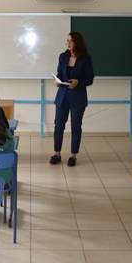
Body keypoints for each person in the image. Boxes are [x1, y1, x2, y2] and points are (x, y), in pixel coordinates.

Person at [50, 31, 94, 167]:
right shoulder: (63, 56)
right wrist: (56, 81)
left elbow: (90, 78)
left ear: (77, 42)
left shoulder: (85, 59)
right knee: (58, 125)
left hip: (78, 97)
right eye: (67, 40)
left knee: (76, 126)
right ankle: (57, 153)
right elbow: (59, 73)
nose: (68, 43)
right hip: (62, 96)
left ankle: (73, 155)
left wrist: (78, 82)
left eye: (71, 41)